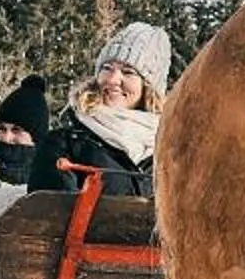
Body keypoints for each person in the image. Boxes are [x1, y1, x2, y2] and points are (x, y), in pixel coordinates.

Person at [29, 22, 168, 198]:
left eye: (128, 72)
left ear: (149, 87)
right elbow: (47, 212)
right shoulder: (64, 145)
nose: (112, 79)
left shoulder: (168, 155)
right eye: (107, 68)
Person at [0, 74, 49, 186]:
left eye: (16, 130)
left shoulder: (52, 183)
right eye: (2, 128)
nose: (6, 138)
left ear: (36, 138)